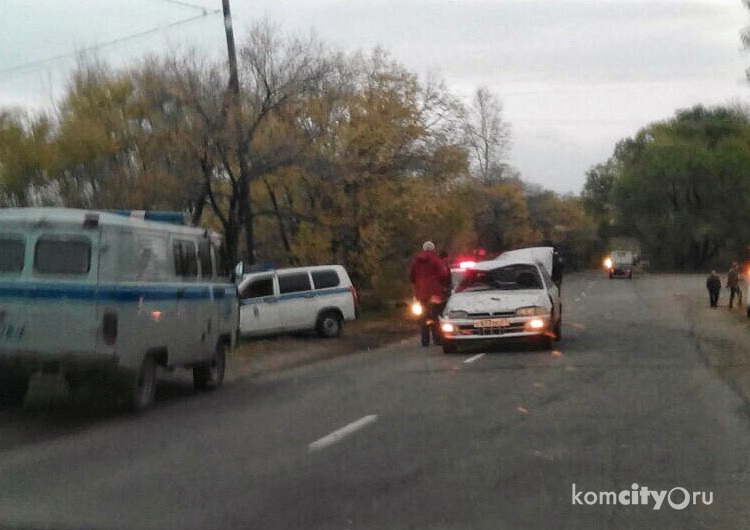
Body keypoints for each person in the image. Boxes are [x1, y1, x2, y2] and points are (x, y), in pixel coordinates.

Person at [410, 241, 451, 347]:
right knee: (436, 316)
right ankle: (437, 339)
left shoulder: (417, 261)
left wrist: (418, 285)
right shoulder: (436, 259)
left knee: (423, 316)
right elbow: (443, 274)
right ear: (433, 248)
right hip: (435, 293)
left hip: (421, 294)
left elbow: (412, 276)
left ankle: (425, 340)